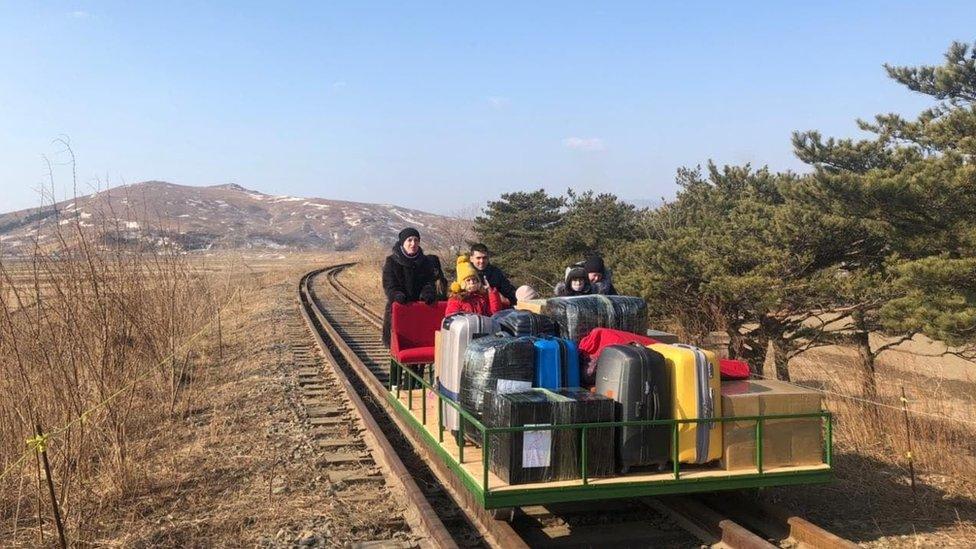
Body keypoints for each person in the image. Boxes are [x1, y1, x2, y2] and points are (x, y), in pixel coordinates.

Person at [381, 227, 444, 347]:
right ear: (402, 242)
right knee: (400, 346)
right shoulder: (392, 261)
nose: (413, 244)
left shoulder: (425, 261)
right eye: (409, 240)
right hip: (400, 308)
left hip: (420, 309)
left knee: (420, 344)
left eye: (416, 240)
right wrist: (396, 295)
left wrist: (427, 292)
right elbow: (389, 285)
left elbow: (429, 282)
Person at [444, 254, 510, 316]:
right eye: (468, 280)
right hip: (466, 327)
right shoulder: (456, 299)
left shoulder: (482, 296)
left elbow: (494, 312)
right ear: (462, 283)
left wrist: (491, 292)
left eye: (474, 279)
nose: (472, 282)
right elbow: (452, 317)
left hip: (483, 326)